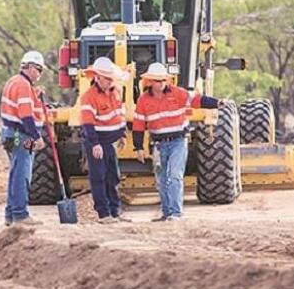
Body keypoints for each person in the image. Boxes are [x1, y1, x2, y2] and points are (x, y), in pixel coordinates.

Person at [133, 62, 224, 221]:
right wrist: (138, 147)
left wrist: (217, 103)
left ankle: (175, 213)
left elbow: (197, 100)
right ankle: (167, 212)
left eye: (162, 80)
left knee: (175, 175)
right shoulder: (143, 101)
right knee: (162, 180)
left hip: (178, 142)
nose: (160, 84)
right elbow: (139, 125)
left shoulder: (178, 93)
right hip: (159, 145)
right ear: (150, 82)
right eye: (157, 80)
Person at [0, 50, 47, 226]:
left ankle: (11, 214)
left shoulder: (14, 82)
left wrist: (35, 95)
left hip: (11, 134)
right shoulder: (23, 86)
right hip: (21, 136)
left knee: (15, 174)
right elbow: (26, 116)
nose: (39, 75)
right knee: (22, 175)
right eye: (40, 70)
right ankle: (20, 215)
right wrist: (37, 137)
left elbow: (20, 106)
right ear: (32, 67)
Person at [80, 57, 129, 224]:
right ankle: (103, 214)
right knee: (98, 177)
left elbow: (120, 115)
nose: (109, 81)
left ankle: (115, 212)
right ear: (97, 77)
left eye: (111, 78)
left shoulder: (116, 92)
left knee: (113, 176)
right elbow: (88, 123)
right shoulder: (89, 97)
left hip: (110, 142)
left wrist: (122, 134)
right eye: (106, 78)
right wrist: (95, 144)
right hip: (98, 142)